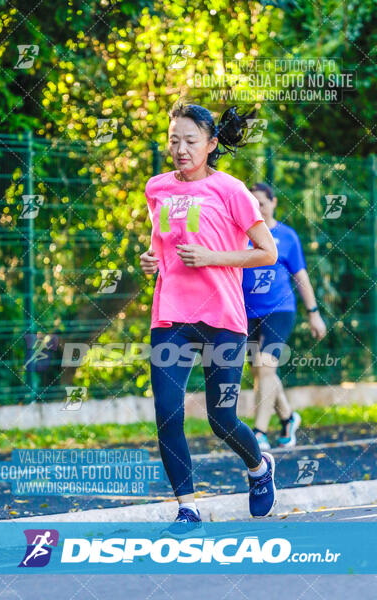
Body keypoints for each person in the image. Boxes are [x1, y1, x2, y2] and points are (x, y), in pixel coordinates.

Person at [140, 100, 279, 535]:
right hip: (172, 316)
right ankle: (187, 507)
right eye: (174, 140)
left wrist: (212, 257)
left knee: (222, 421)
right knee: (167, 412)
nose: (180, 149)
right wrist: (150, 260)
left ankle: (259, 466)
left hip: (221, 316)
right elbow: (160, 247)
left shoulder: (232, 190)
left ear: (212, 143)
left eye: (190, 141)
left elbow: (267, 252)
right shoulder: (158, 187)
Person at [242, 182, 327, 451]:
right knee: (259, 371)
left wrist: (313, 313)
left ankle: (259, 433)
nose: (259, 209)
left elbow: (301, 277)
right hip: (246, 312)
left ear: (274, 203)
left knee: (265, 367)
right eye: (253, 205)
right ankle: (289, 419)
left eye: (263, 204)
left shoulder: (287, 236)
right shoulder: (241, 235)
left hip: (280, 309)